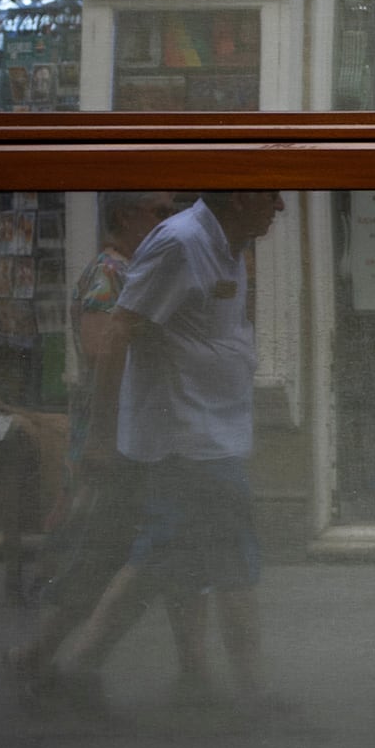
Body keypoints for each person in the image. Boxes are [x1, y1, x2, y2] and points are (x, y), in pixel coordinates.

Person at [47, 191, 287, 710]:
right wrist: (101, 437)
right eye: (270, 194)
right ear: (236, 198)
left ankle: (77, 670)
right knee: (231, 562)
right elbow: (117, 334)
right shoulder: (181, 244)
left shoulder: (227, 246)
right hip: (188, 438)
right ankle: (255, 692)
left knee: (159, 559)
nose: (281, 206)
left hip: (209, 433)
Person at [7, 193, 183, 688]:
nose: (168, 221)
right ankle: (41, 653)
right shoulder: (110, 272)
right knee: (104, 545)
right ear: (125, 215)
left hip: (132, 431)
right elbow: (100, 350)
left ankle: (44, 652)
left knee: (127, 547)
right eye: (160, 212)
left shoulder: (132, 269)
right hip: (116, 433)